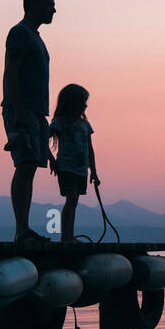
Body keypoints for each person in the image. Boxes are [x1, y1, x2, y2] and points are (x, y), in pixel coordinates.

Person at [2, 0, 56, 241]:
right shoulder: (19, 33)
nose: (53, 9)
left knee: (31, 167)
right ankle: (21, 230)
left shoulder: (35, 37)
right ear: (31, 5)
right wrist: (20, 112)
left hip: (36, 113)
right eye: (48, 4)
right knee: (24, 165)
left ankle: (23, 229)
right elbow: (11, 72)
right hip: (22, 110)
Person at [48, 83, 99, 241]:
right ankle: (66, 236)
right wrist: (52, 160)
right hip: (65, 166)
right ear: (72, 103)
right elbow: (43, 140)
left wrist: (94, 172)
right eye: (82, 101)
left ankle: (69, 235)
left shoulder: (85, 125)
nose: (85, 105)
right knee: (71, 198)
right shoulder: (59, 122)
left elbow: (90, 149)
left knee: (74, 200)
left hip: (81, 169)